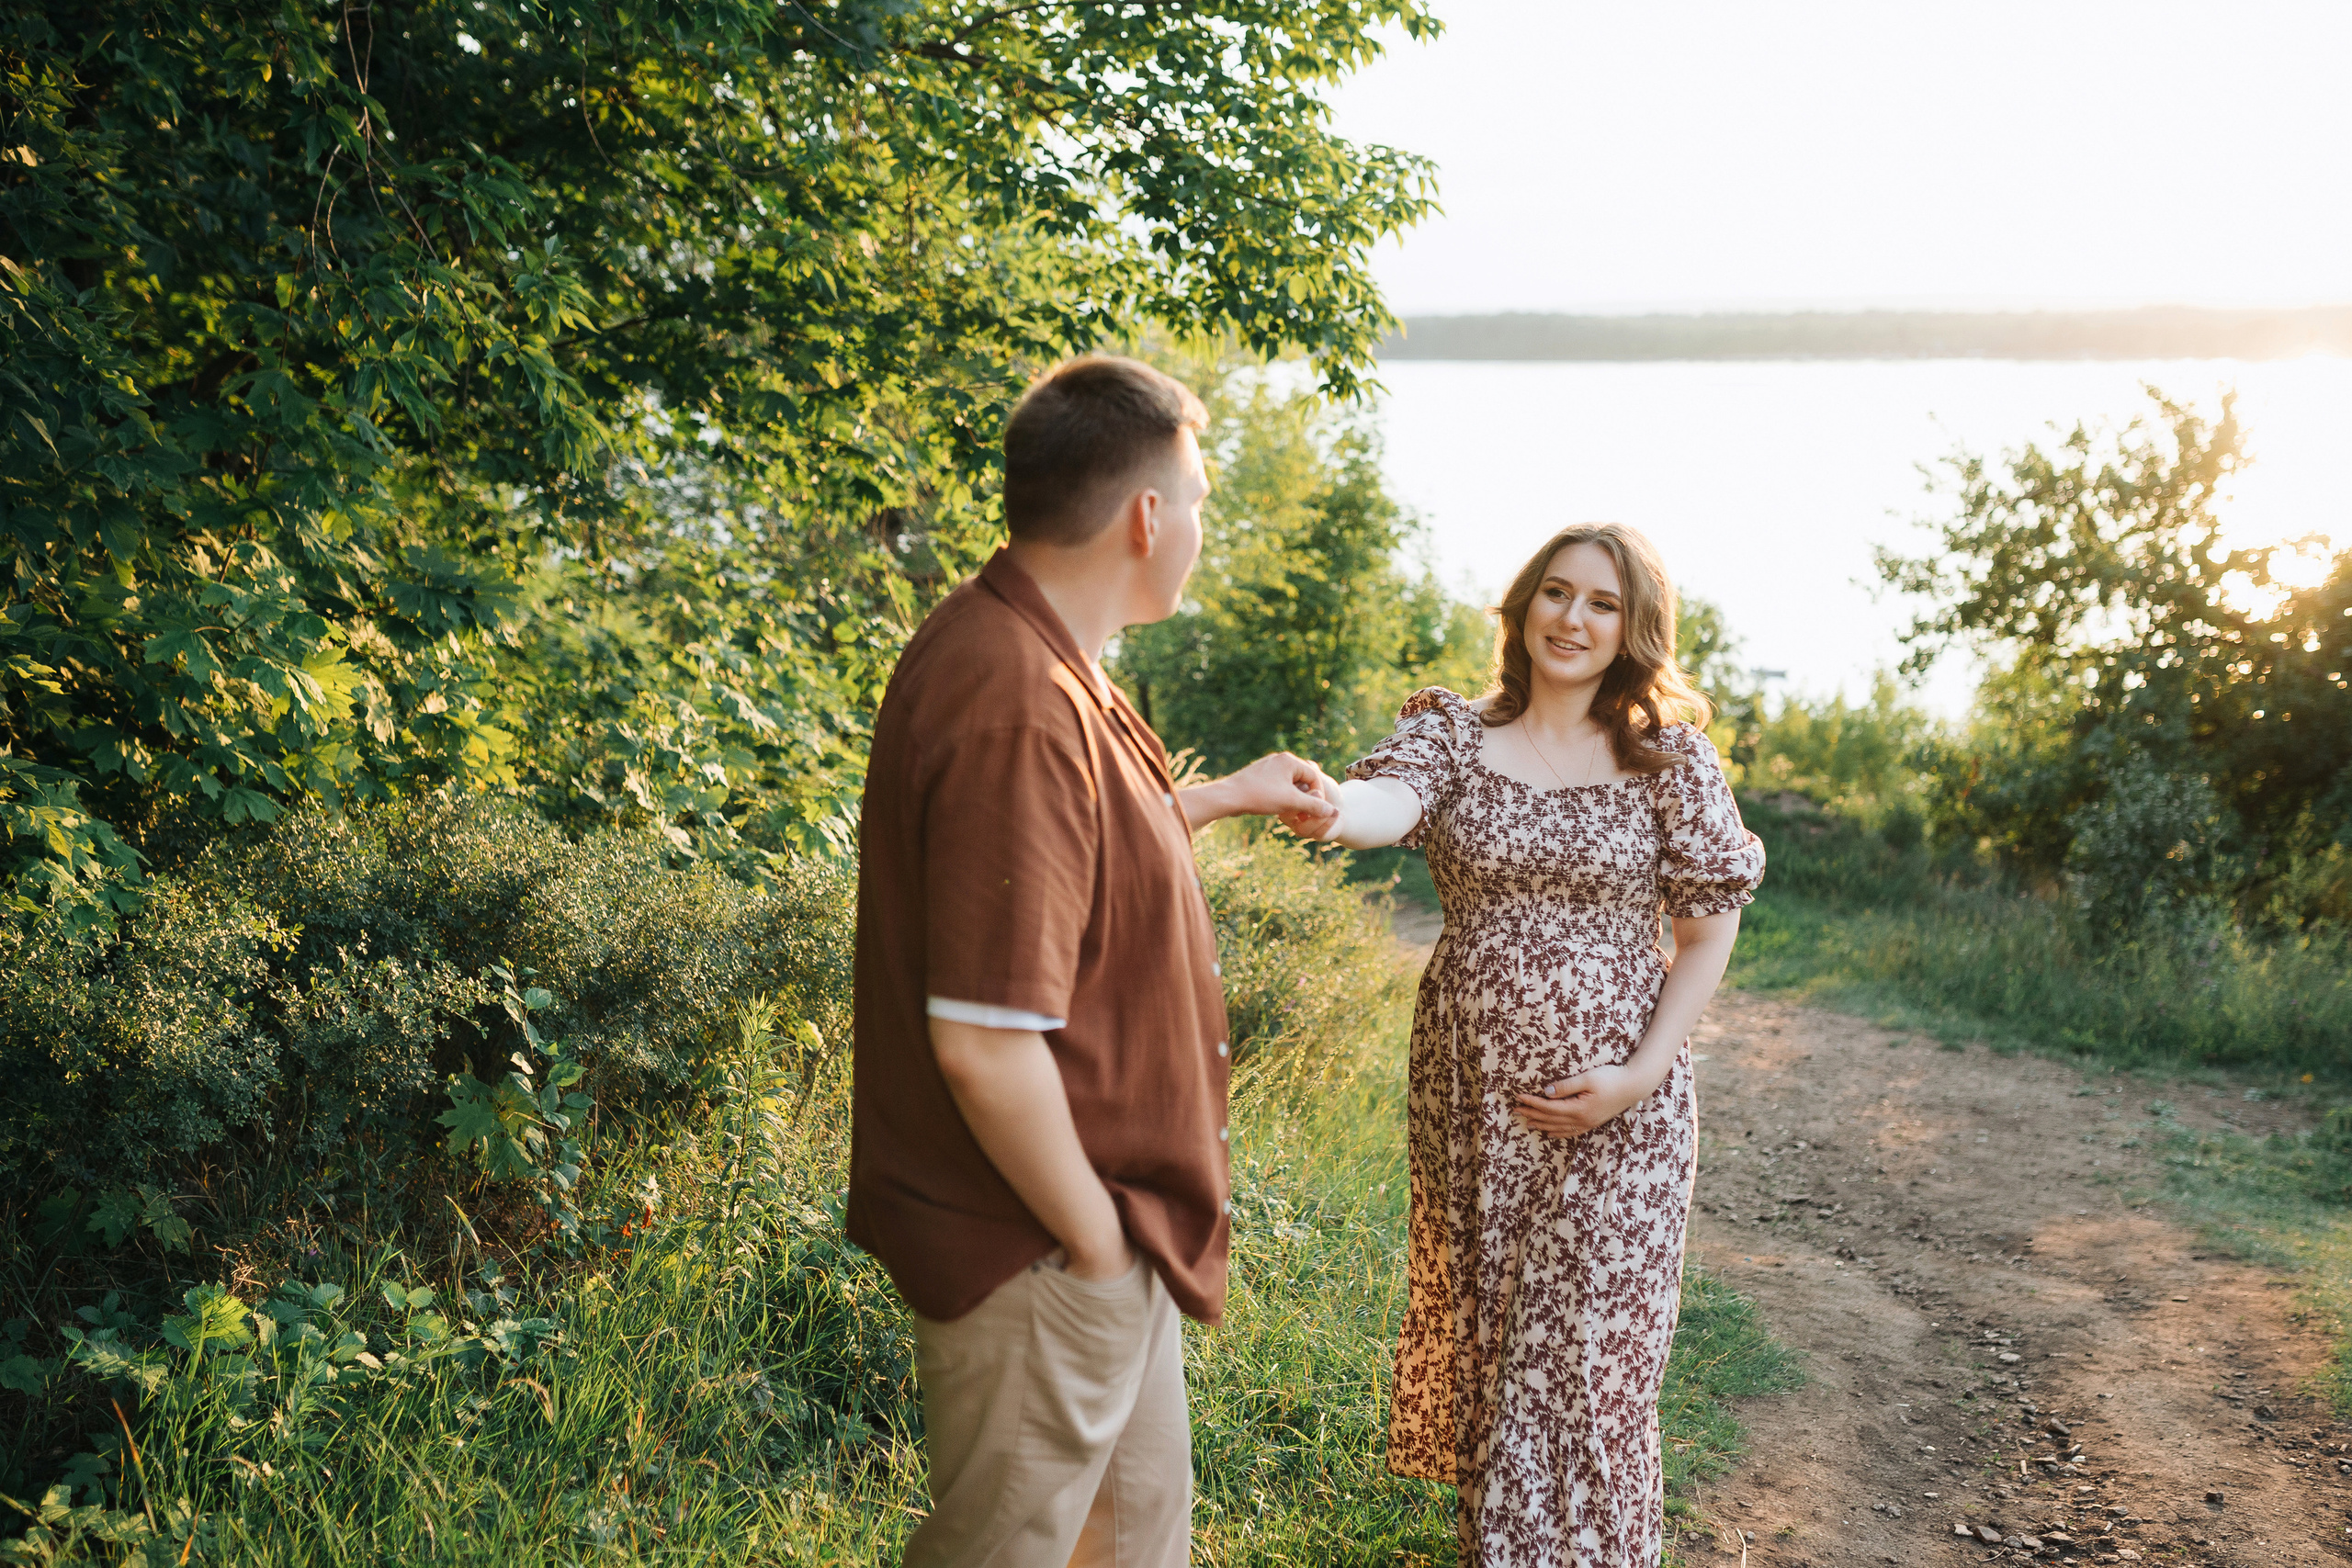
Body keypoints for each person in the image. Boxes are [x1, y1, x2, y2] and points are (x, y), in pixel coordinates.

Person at [847, 355, 1340, 1568]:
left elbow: (1078, 858)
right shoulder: (1017, 698)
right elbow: (983, 1040)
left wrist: (1223, 796)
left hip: (1092, 1227)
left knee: (1133, 1539)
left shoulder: (1054, 660)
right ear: (1148, 515)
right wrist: (1097, 1241)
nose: (1203, 529)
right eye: (1204, 499)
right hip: (1042, 1240)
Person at [1297, 523, 1765, 1567]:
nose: (1573, 618)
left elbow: (1705, 931)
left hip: (1626, 1111)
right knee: (1506, 1359)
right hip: (1480, 1108)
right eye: (1556, 593)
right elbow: (1385, 804)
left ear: (1633, 628)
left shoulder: (1667, 760)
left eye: (1602, 603)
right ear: (1522, 608)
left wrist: (1637, 1077)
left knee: (1592, 1368)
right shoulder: (1454, 735)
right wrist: (1326, 807)